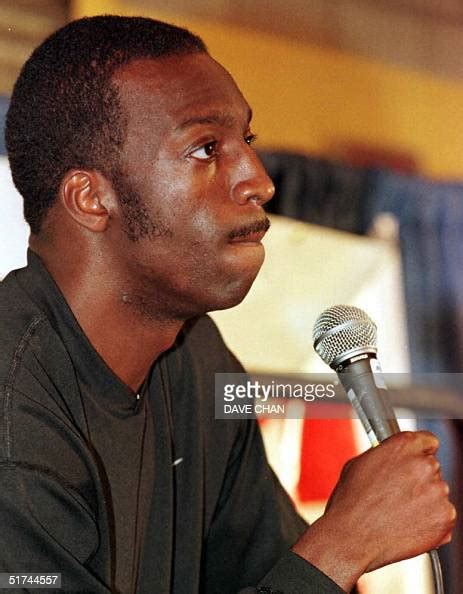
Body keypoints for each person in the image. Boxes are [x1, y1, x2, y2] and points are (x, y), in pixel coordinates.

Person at [0, 14, 455, 594]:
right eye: (206, 148)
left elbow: (267, 571)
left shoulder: (192, 355)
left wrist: (340, 551)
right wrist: (343, 545)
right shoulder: (14, 410)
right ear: (91, 198)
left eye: (249, 142)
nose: (259, 181)